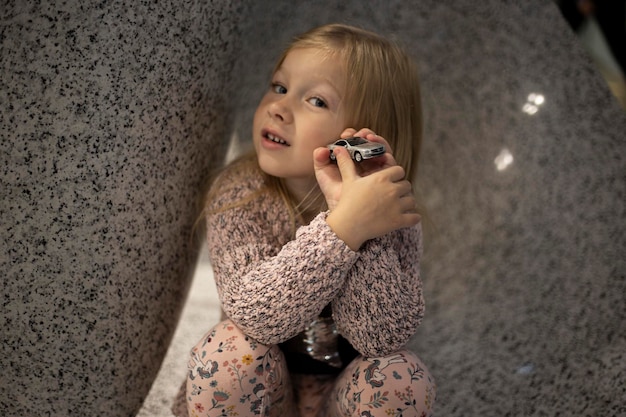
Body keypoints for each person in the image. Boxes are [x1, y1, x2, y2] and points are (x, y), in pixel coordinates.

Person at [172, 23, 436, 417]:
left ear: (363, 138)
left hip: (340, 398)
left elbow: (381, 337)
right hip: (259, 393)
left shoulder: (392, 212)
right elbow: (254, 316)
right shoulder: (240, 192)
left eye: (315, 101)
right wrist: (342, 230)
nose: (278, 106)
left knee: (405, 378)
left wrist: (365, 222)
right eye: (279, 87)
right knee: (229, 352)